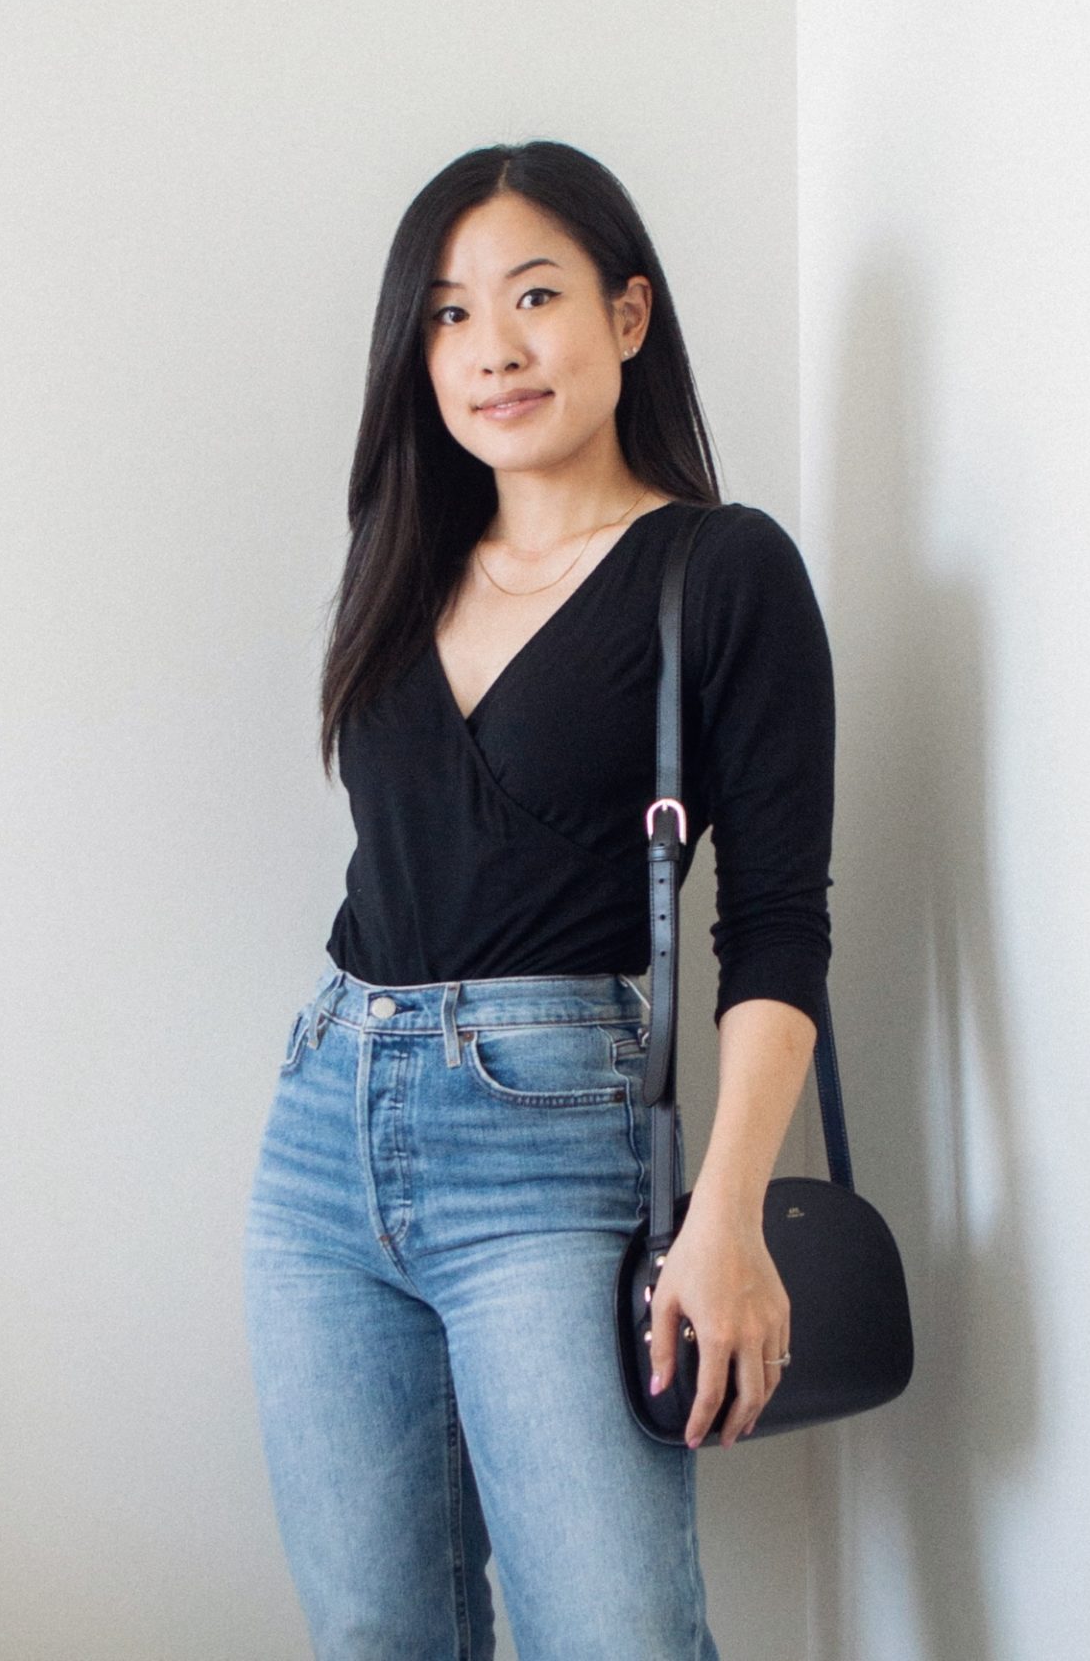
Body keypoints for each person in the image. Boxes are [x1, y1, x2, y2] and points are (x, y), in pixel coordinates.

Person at [242, 139, 835, 1660]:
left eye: (533, 296)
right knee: (382, 1634)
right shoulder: (404, 564)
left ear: (627, 317)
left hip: (551, 1156)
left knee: (614, 1635)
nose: (491, 348)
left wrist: (725, 1215)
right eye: (446, 315)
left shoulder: (719, 571)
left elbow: (775, 929)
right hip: (325, 1141)